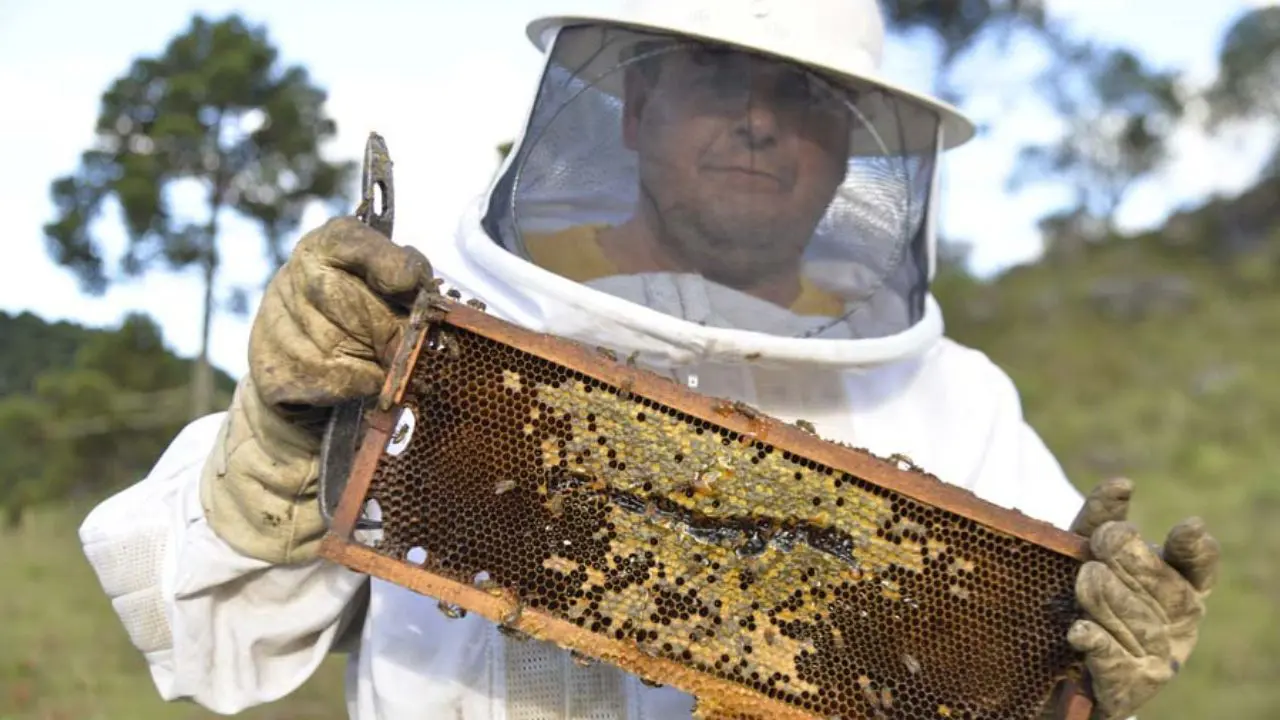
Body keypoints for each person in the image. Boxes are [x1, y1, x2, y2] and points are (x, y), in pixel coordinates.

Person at [77, 2, 1220, 719]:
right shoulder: (427, 331)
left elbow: (1023, 684)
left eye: (804, 97)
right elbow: (215, 652)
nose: (760, 122)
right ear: (629, 105)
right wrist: (277, 454)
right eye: (717, 79)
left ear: (852, 154)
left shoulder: (955, 400)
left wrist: (1071, 686)